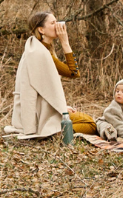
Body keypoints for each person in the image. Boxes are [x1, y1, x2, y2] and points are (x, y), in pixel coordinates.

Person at [6, 10, 97, 138]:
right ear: (41, 30)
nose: (58, 25)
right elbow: (73, 72)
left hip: (43, 108)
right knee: (90, 124)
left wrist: (61, 106)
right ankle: (57, 133)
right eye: (53, 23)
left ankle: (58, 131)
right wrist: (65, 42)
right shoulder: (40, 53)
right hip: (41, 113)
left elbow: (45, 87)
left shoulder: (40, 49)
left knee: (87, 119)